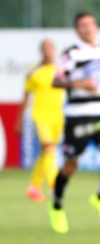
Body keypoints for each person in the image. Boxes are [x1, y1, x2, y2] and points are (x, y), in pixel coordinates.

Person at [50, 12, 100, 233]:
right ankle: (56, 206)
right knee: (71, 165)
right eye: (83, 25)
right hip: (77, 116)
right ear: (77, 30)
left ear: (96, 27)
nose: (88, 28)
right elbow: (56, 80)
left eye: (91, 24)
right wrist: (81, 83)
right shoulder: (71, 54)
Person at [16, 40, 65, 203]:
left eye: (50, 47)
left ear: (54, 50)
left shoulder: (60, 70)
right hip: (40, 116)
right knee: (49, 149)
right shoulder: (33, 71)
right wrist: (19, 120)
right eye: (44, 48)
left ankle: (33, 187)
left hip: (57, 116)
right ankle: (54, 187)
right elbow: (25, 96)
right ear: (40, 51)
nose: (47, 51)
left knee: (46, 153)